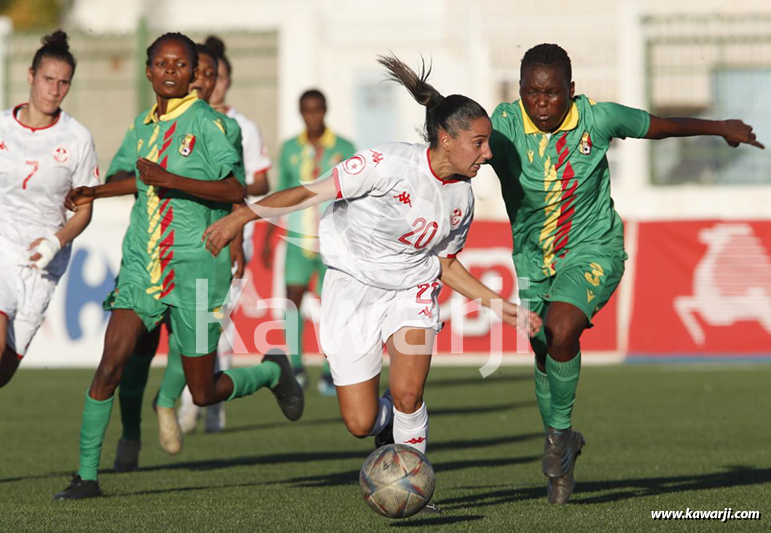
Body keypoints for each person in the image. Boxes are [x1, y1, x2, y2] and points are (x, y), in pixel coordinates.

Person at [203, 54, 542, 513]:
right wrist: (242, 216)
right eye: (479, 143)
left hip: (413, 292)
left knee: (408, 393)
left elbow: (445, 264)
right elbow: (308, 191)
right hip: (352, 288)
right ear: (446, 138)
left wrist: (503, 307)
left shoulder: (461, 196)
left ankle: (414, 481)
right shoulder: (385, 163)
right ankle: (387, 430)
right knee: (360, 422)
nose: (487, 153)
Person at [487, 43, 763, 505]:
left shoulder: (597, 119)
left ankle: (556, 442)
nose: (541, 103)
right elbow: (459, 147)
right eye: (531, 93)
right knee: (542, 349)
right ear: (519, 91)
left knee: (559, 330)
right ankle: (564, 440)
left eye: (551, 93)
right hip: (533, 259)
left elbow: (659, 127)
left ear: (570, 91)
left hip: (594, 250)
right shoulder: (503, 125)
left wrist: (721, 129)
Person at [53, 32, 303, 500]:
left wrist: (170, 179)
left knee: (204, 391)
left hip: (196, 270)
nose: (170, 71)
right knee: (111, 365)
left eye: (180, 65)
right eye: (161, 64)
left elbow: (234, 190)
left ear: (193, 74)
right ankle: (87, 476)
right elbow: (132, 178)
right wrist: (94, 192)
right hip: (143, 265)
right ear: (148, 71)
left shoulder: (210, 124)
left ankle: (270, 372)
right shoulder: (141, 126)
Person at [0, 31, 99, 487]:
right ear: (31, 77)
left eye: (64, 83)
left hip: (42, 266)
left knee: (0, 371)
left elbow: (85, 209)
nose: (54, 90)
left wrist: (56, 241)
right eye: (48, 79)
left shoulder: (77, 139)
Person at [106, 42, 248, 472]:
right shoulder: (149, 125)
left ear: (216, 80)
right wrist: (114, 185)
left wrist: (236, 240)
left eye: (208, 74)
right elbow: (123, 173)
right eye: (197, 71)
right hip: (151, 258)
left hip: (201, 259)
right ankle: (131, 434)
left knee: (192, 359)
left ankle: (168, 403)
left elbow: (240, 190)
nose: (200, 79)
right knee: (135, 357)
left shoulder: (227, 127)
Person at [176, 35, 274, 434]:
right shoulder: (177, 120)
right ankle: (188, 399)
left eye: (218, 76)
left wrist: (228, 192)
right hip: (182, 236)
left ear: (225, 80)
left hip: (230, 235)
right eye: (203, 74)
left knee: (218, 322)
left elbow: (262, 180)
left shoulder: (241, 127)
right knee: (188, 321)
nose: (211, 83)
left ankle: (206, 404)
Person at [261, 89, 356, 396]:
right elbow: (282, 194)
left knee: (333, 306)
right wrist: (266, 237)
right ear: (300, 112)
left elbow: (354, 195)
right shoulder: (290, 148)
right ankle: (297, 366)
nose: (312, 116)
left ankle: (331, 370)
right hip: (298, 237)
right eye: (306, 111)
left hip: (332, 239)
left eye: (317, 110)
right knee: (292, 300)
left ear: (325, 110)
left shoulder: (344, 147)